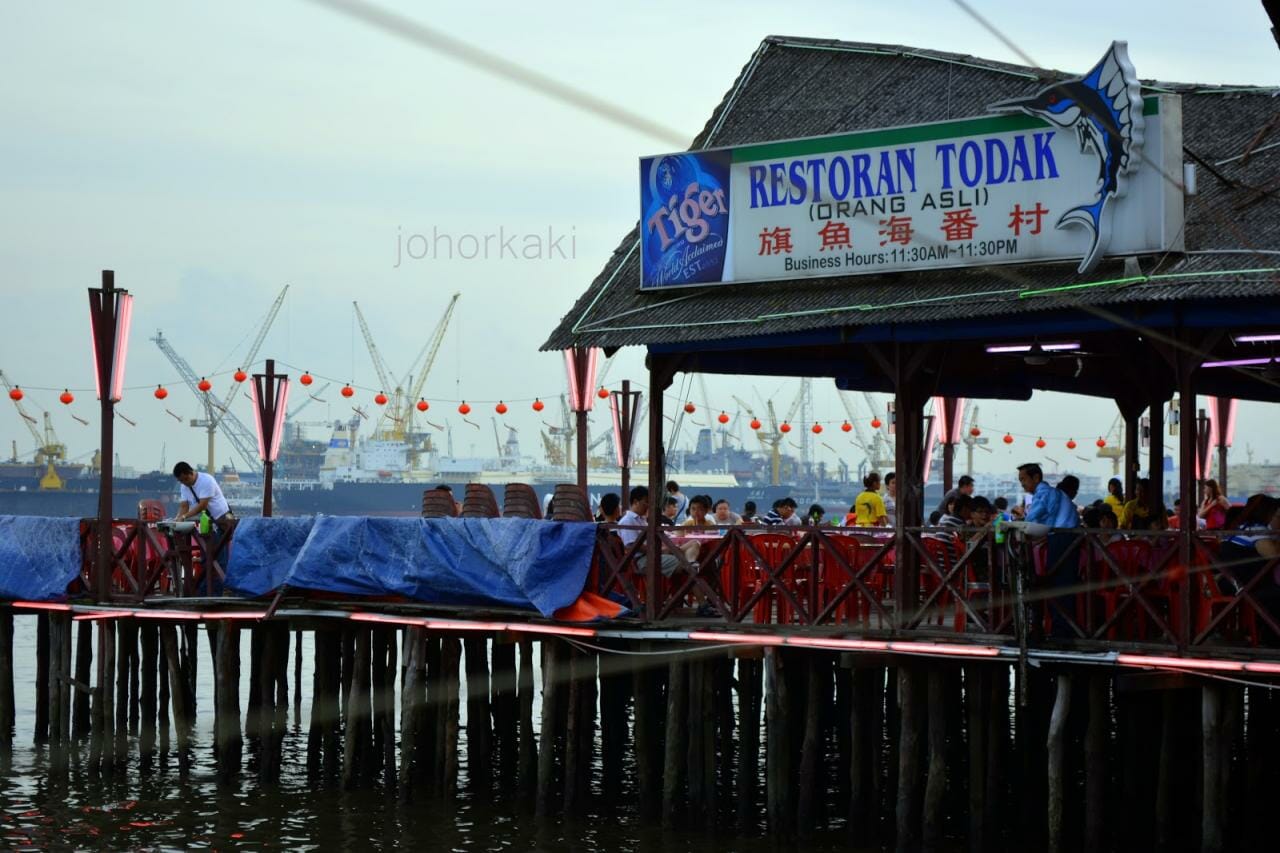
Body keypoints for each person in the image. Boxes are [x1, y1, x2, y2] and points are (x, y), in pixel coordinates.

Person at [1016, 463, 1078, 637]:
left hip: (1062, 540)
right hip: (1063, 538)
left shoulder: (1044, 493)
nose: (1022, 483)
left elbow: (1032, 519)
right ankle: (1060, 629)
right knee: (1060, 584)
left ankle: (1061, 631)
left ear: (1036, 478)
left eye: (1024, 479)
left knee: (1058, 584)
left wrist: (1019, 524)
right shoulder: (1051, 493)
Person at [1218, 496, 1280, 620]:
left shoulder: (1239, 528)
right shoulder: (1256, 530)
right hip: (1247, 586)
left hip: (1230, 582)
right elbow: (1274, 555)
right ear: (1266, 512)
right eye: (1275, 513)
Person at [618, 486, 681, 576]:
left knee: (684, 554)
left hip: (650, 556)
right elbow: (631, 546)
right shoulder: (627, 521)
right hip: (641, 560)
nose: (648, 506)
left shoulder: (641, 519)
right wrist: (659, 551)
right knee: (681, 562)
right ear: (635, 502)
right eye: (646, 502)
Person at [173, 462, 234, 532]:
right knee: (210, 541)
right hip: (208, 519)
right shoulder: (184, 486)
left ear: (191, 472)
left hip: (222, 516)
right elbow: (184, 506)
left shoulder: (206, 481)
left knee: (228, 539)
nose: (184, 482)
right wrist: (177, 519)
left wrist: (184, 517)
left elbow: (202, 506)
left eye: (186, 479)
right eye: (181, 481)